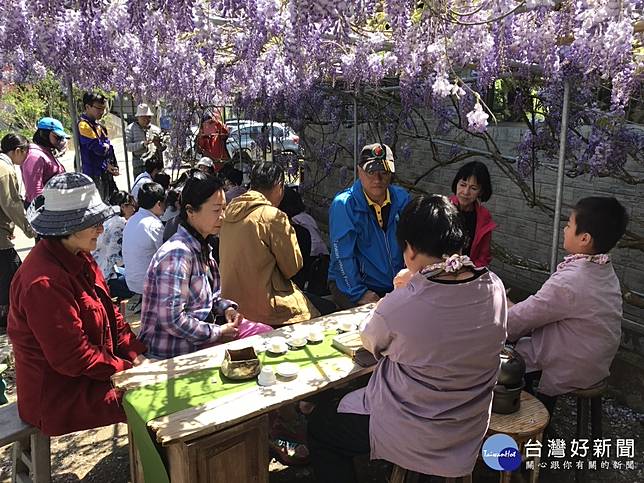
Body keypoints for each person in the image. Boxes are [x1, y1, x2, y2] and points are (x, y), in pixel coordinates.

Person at [308, 194, 507, 482]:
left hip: (417, 432)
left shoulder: (403, 304)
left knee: (320, 426)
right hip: (468, 426)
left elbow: (369, 339)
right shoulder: (494, 287)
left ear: (410, 250)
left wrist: (400, 292)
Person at [7, 172, 146, 436]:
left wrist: (134, 353)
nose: (101, 229)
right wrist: (125, 370)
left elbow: (112, 315)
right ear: (67, 229)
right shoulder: (43, 282)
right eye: (93, 223)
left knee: (154, 381)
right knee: (149, 401)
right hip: (57, 395)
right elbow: (73, 357)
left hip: (90, 375)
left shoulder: (80, 254)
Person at [507, 197, 628, 413]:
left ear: (584, 238)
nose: (564, 229)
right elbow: (541, 308)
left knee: (504, 361)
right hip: (594, 362)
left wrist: (501, 307)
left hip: (569, 364)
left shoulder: (571, 280)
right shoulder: (603, 269)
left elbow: (520, 319)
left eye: (569, 225)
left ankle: (532, 420)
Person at [139, 172, 272, 359]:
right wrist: (217, 332)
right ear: (191, 211)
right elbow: (173, 320)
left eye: (224, 208)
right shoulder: (177, 254)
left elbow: (212, 297)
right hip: (173, 350)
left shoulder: (202, 247)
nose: (223, 216)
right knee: (257, 346)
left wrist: (227, 309)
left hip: (198, 338)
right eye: (216, 210)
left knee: (265, 334)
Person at [219, 162, 319, 326]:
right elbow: (292, 268)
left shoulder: (229, 212)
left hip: (231, 303)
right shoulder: (272, 216)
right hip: (265, 308)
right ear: (279, 186)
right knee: (320, 313)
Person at [327, 143, 410, 309]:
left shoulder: (401, 198)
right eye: (371, 172)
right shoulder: (344, 205)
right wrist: (359, 293)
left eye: (384, 172)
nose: (377, 179)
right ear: (359, 171)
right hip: (352, 284)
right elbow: (342, 256)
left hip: (395, 284)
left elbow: (412, 243)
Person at [0, 134, 35, 334]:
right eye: (25, 152)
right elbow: (11, 204)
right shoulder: (5, 170)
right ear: (17, 151)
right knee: (14, 275)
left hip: (3, 231)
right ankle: (9, 320)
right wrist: (28, 228)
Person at [449, 161, 496, 267]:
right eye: (462, 185)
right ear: (456, 184)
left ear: (481, 192)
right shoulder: (443, 208)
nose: (466, 192)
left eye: (473, 188)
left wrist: (469, 272)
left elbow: (484, 257)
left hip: (468, 275)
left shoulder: (484, 217)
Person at [92, 190, 137, 300]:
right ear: (123, 206)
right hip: (106, 276)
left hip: (98, 268)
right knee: (137, 285)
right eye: (132, 206)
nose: (134, 209)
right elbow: (118, 260)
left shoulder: (107, 218)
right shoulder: (120, 224)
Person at [122, 182, 165, 295]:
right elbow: (166, 256)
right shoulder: (154, 225)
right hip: (148, 285)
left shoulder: (132, 219)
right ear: (159, 204)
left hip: (131, 282)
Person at [78, 92, 119, 200]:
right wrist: (105, 147)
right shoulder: (84, 125)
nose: (102, 112)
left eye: (103, 108)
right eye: (99, 108)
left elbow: (108, 148)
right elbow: (98, 148)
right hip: (93, 174)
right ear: (87, 107)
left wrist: (111, 164)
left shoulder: (98, 126)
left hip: (103, 172)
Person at [21, 117, 69, 205]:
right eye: (57, 137)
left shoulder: (46, 151)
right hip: (44, 208)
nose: (60, 141)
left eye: (61, 138)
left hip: (54, 204)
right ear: (44, 134)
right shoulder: (34, 156)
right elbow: (35, 191)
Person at [125, 103, 165, 178]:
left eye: (149, 117)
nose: (147, 120)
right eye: (144, 118)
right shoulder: (130, 129)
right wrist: (143, 144)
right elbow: (127, 146)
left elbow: (164, 147)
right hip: (140, 166)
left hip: (155, 165)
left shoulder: (156, 129)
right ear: (138, 117)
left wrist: (159, 144)